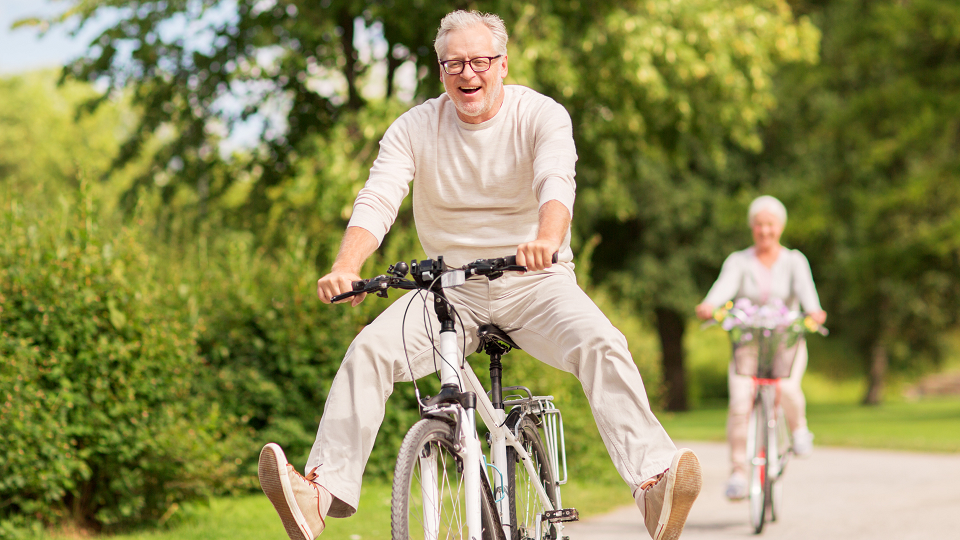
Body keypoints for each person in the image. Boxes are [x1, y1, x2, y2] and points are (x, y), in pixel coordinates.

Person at [258, 10, 702, 540]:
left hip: (535, 282)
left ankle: (653, 487)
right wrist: (346, 267)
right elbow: (377, 197)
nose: (467, 73)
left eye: (479, 61)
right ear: (440, 70)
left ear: (502, 65)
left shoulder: (541, 115)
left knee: (602, 343)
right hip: (448, 291)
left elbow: (556, 182)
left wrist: (546, 239)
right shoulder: (415, 127)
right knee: (369, 352)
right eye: (453, 64)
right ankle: (317, 496)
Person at [695, 195, 827, 501]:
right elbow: (722, 289)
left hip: (786, 342)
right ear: (752, 228)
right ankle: (738, 474)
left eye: (770, 225)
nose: (764, 231)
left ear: (780, 227)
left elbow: (809, 297)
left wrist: (814, 312)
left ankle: (799, 431)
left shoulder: (795, 261)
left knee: (788, 388)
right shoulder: (739, 261)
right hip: (748, 343)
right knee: (740, 402)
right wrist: (709, 305)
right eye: (759, 225)